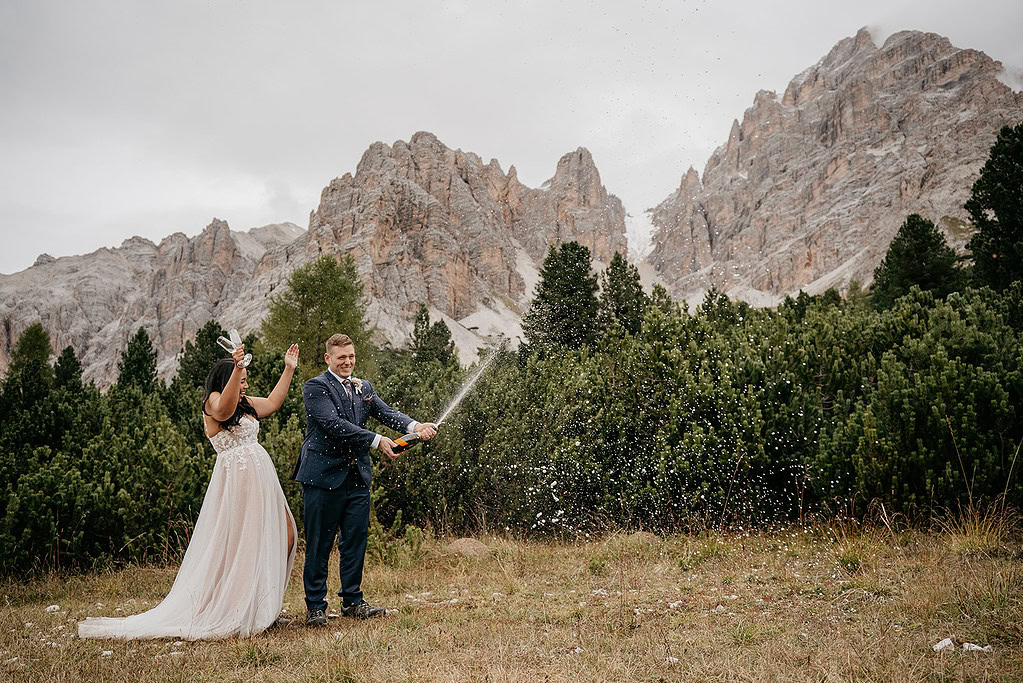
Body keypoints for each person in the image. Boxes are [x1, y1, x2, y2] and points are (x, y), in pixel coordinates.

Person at [78, 342, 300, 640]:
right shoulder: (212, 403)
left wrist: (288, 369)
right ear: (227, 378)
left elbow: (273, 403)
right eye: (241, 379)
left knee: (286, 533)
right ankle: (247, 610)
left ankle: (266, 604)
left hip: (261, 478)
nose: (246, 384)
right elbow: (225, 408)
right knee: (244, 544)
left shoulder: (245, 403)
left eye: (245, 379)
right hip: (239, 481)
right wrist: (237, 369)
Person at [295, 333, 436, 625]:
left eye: (351, 356)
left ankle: (352, 602)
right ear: (328, 359)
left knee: (355, 540)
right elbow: (334, 425)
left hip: (357, 476)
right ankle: (316, 607)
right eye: (341, 357)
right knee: (320, 542)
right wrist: (377, 440)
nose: (347, 362)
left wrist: (414, 425)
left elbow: (386, 413)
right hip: (322, 476)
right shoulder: (315, 387)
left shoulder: (364, 387)